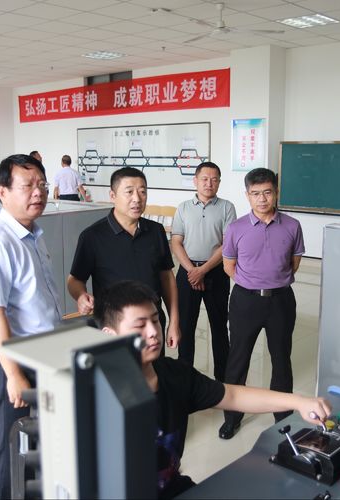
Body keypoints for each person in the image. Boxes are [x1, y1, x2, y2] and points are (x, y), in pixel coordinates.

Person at [94, 280, 330, 499]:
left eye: (155, 320)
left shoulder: (174, 374)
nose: (153, 332)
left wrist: (298, 401)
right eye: (140, 325)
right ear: (109, 336)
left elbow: (232, 395)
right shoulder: (95, 395)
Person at [0, 154, 62, 499]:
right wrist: (13, 374)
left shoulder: (34, 234)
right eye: (28, 186)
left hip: (42, 354)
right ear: (2, 193)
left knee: (42, 445)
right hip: (11, 358)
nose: (39, 192)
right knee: (14, 452)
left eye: (42, 184)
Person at [219, 167, 305, 440]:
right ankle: (232, 418)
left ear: (276, 193)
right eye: (255, 193)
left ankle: (283, 418)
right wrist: (251, 283)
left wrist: (272, 280)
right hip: (245, 301)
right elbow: (229, 266)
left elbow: (294, 263)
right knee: (238, 359)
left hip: (281, 301)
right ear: (247, 195)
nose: (262, 199)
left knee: (281, 359)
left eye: (267, 192)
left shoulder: (292, 226)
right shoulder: (236, 228)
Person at [67, 167, 180, 350]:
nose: (137, 199)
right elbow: (74, 280)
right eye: (129, 192)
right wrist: (80, 296)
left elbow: (167, 277)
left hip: (151, 325)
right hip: (113, 327)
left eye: (142, 192)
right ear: (112, 195)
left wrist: (174, 322)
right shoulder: (92, 236)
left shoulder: (156, 231)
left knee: (152, 368)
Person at [170, 161, 236, 380]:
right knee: (185, 327)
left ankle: (222, 380)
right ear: (195, 181)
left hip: (216, 272)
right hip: (187, 273)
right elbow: (176, 241)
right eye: (205, 179)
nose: (209, 183)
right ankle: (185, 378)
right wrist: (192, 270)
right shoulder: (183, 207)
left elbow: (227, 244)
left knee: (219, 326)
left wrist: (203, 270)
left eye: (214, 179)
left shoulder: (227, 207)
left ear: (219, 182)